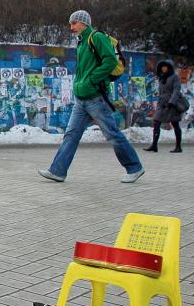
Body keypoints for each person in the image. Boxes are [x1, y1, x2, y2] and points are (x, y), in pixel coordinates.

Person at [38, 10, 145, 183]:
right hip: (81, 99)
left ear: (84, 23)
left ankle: (134, 167)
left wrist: (92, 80)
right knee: (71, 135)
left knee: (112, 133)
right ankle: (57, 171)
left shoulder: (96, 37)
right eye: (70, 24)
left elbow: (110, 61)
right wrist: (80, 85)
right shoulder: (82, 42)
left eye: (74, 23)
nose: (71, 27)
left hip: (96, 97)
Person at [143, 60, 184, 153]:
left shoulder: (175, 77)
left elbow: (176, 90)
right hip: (162, 104)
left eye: (165, 66)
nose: (163, 68)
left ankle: (178, 146)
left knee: (175, 124)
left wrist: (171, 102)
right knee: (156, 122)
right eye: (162, 67)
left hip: (172, 105)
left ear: (170, 68)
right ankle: (154, 145)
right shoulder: (162, 77)